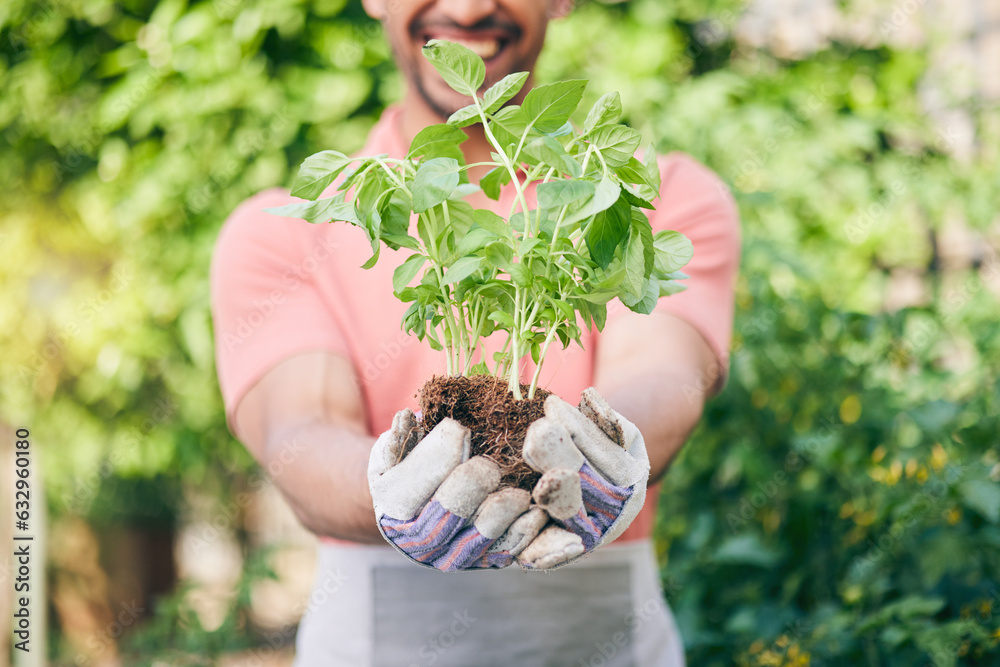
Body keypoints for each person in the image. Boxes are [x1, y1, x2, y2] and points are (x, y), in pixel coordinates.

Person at [210, 0, 740, 664]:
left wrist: (605, 451)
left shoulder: (643, 196)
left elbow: (662, 374)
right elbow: (301, 432)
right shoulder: (286, 230)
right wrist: (391, 491)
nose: (466, 7)